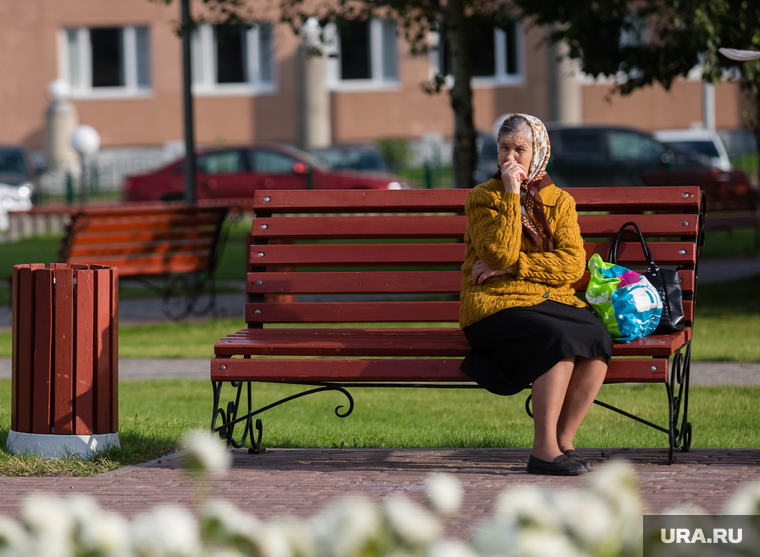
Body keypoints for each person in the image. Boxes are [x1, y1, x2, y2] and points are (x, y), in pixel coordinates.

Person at [459, 113, 613, 476]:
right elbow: (497, 253)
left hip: (546, 300)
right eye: (504, 148)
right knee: (557, 338)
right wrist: (512, 195)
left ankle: (564, 443)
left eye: (520, 149)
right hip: (493, 305)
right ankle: (542, 451)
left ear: (538, 152)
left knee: (597, 337)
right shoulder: (483, 198)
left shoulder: (560, 202)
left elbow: (572, 266)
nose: (511, 158)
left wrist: (516, 268)